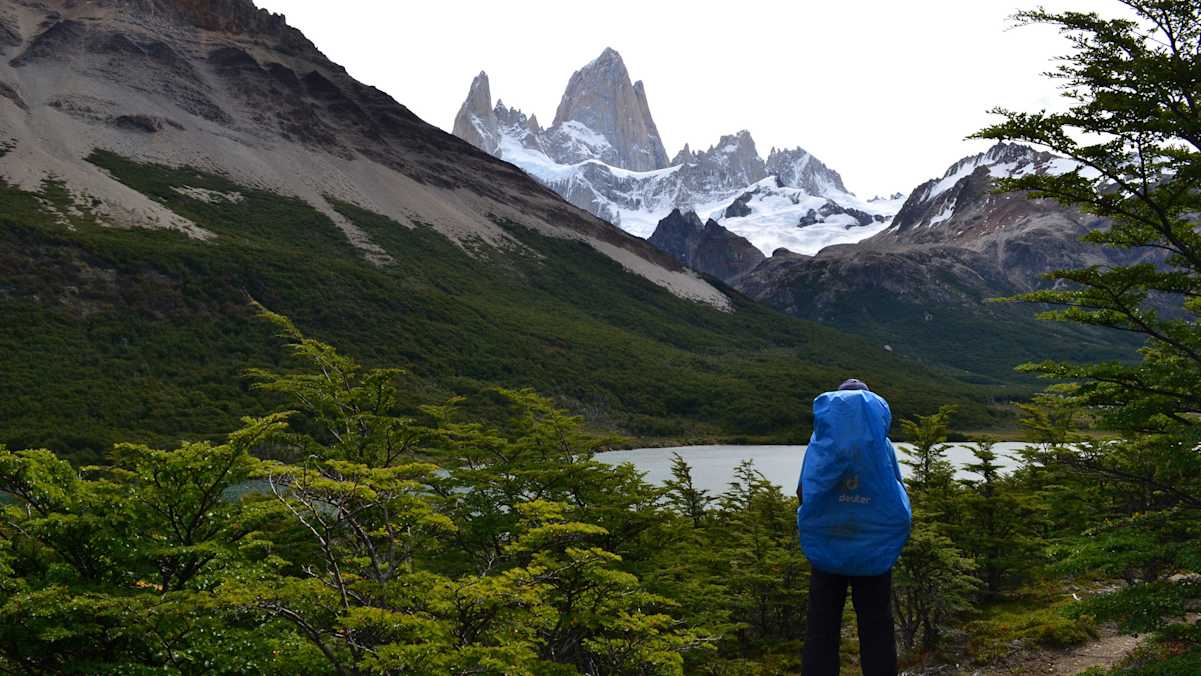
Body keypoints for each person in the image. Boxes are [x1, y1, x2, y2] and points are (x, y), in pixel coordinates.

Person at [796, 379, 911, 676]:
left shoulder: (819, 444)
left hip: (827, 548)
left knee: (821, 627)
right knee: (877, 627)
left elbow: (804, 493)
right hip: (873, 552)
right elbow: (895, 494)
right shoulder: (881, 447)